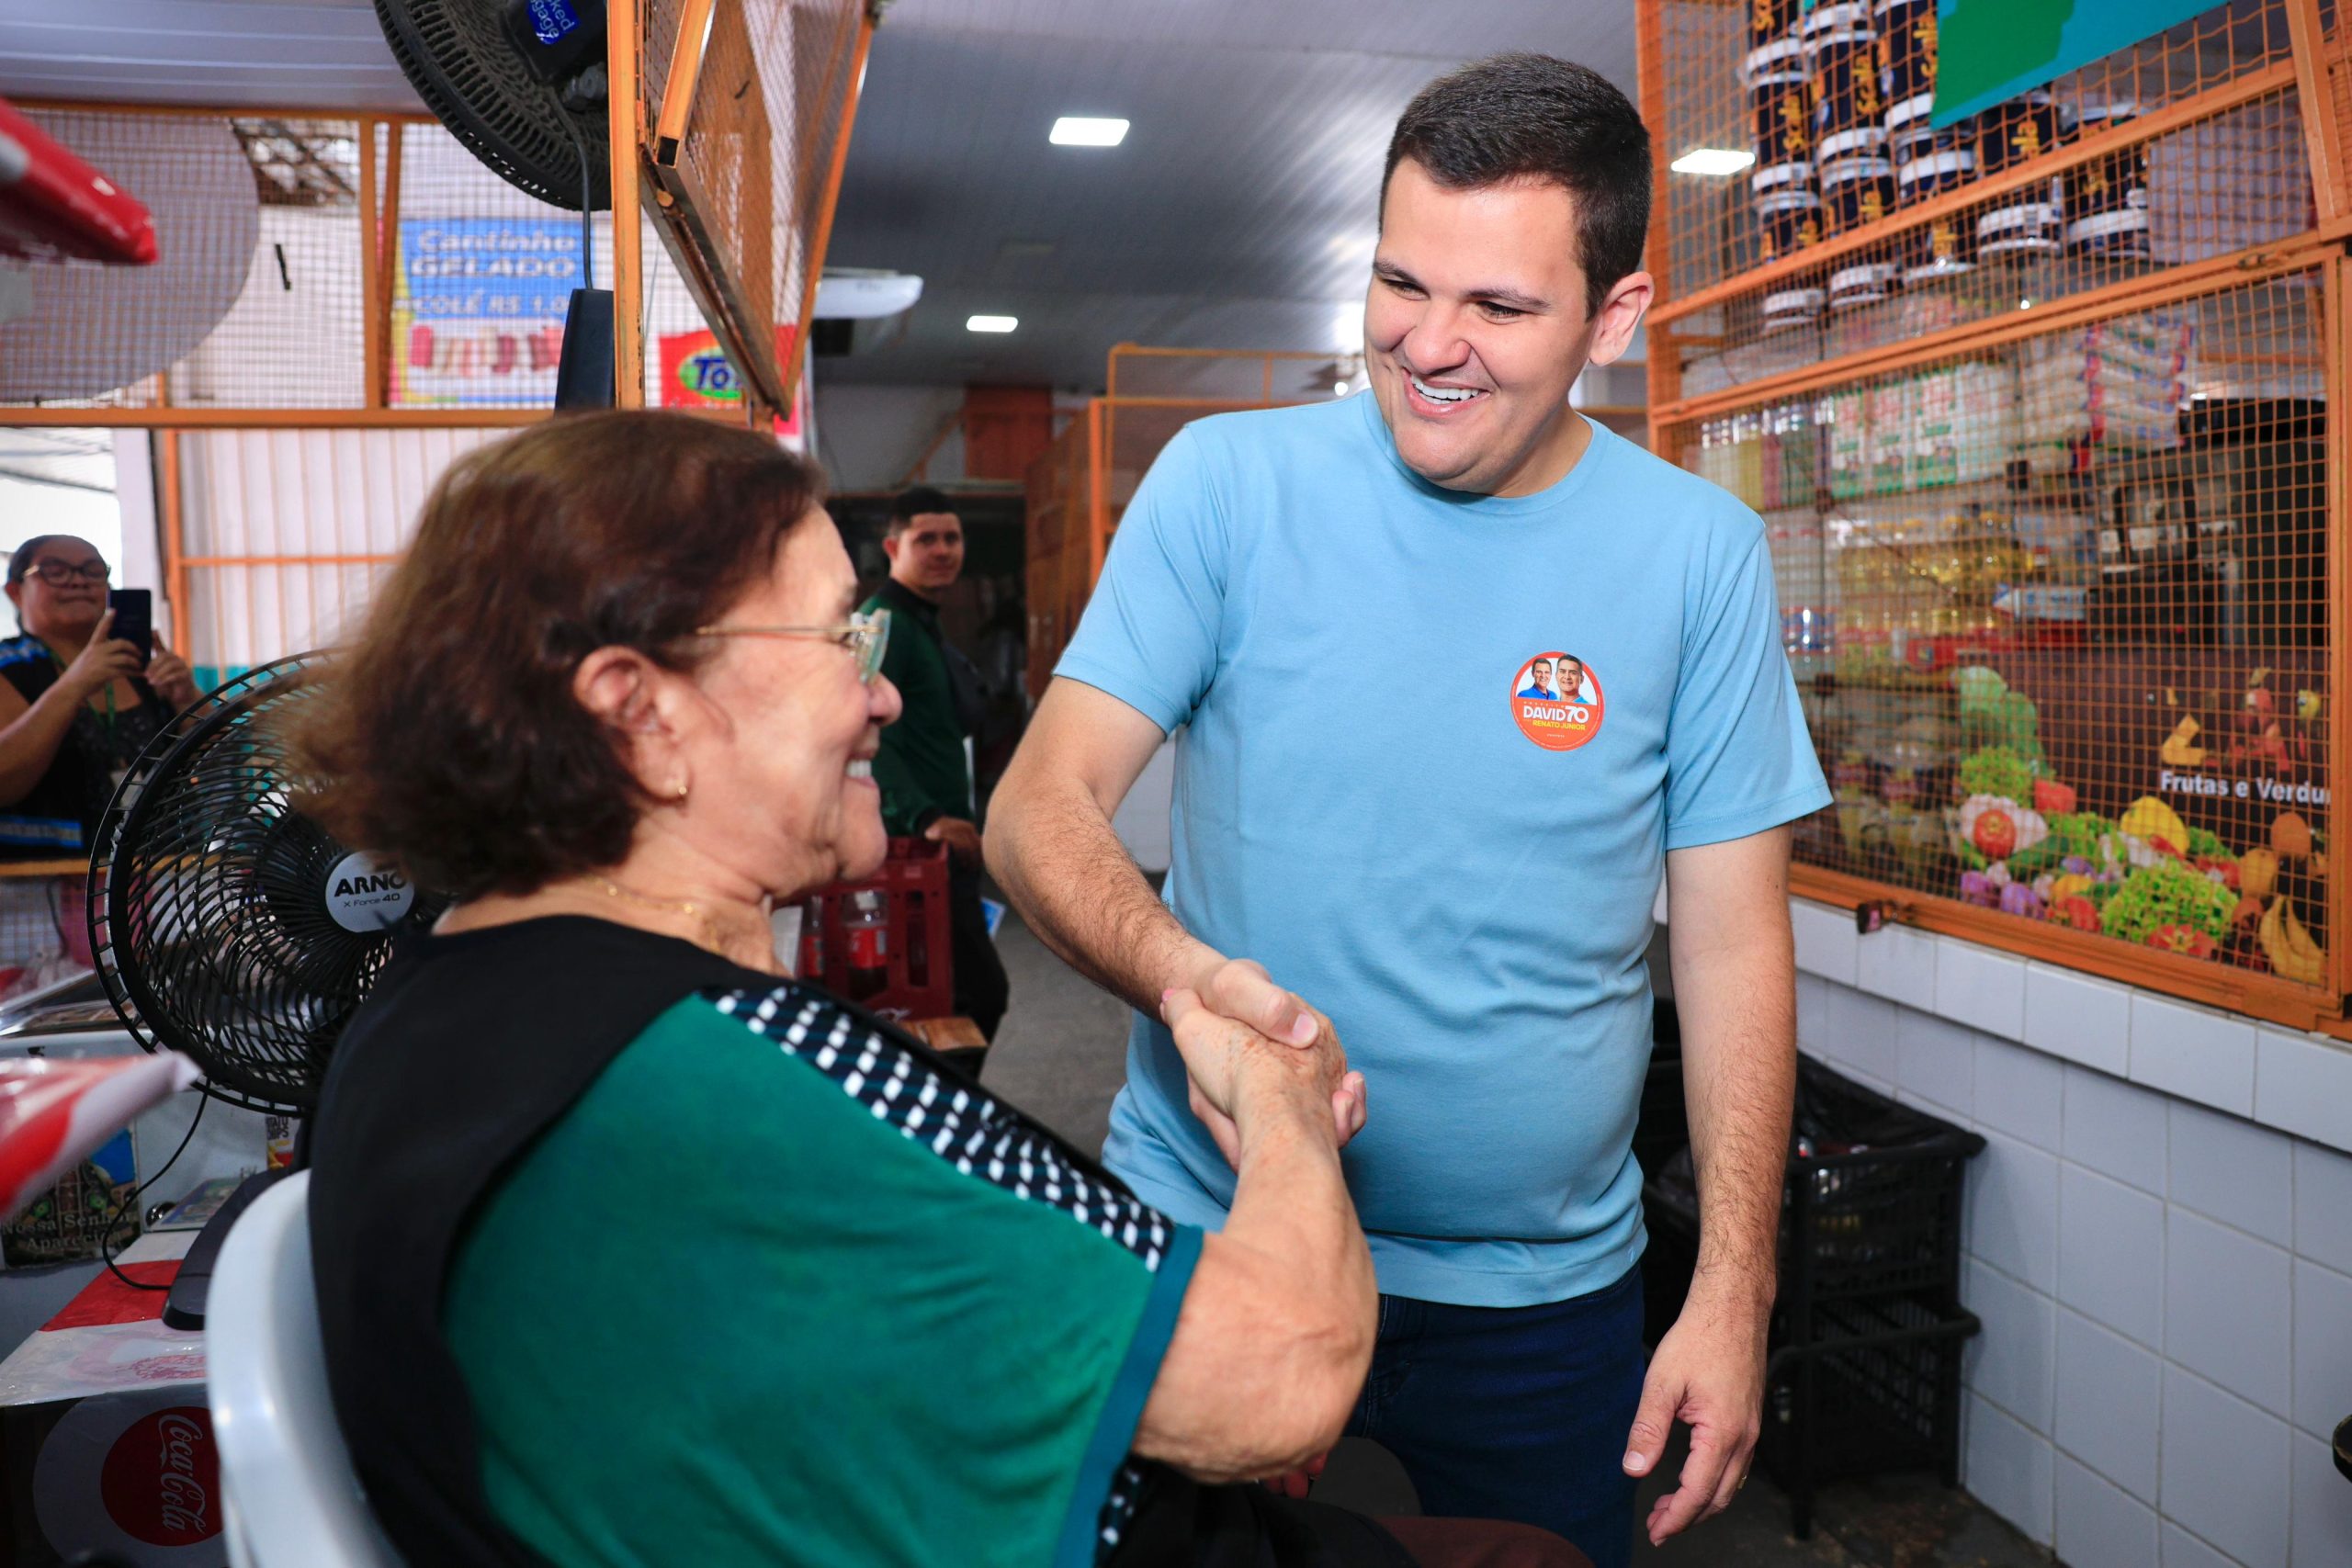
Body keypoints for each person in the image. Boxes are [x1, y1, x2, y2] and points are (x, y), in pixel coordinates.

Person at [298, 412, 1587, 1568]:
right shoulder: (716, 1082)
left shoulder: (431, 999)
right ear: (641, 713)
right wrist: (1284, 1096)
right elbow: (1285, 1376)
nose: (879, 693)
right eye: (837, 637)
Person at [987, 53, 1828, 1568]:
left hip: (1543, 1301)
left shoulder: (1698, 555)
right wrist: (1191, 985)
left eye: (1498, 306)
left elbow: (1730, 943)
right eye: (1399, 282)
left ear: (1614, 318)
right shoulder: (1227, 485)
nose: (1429, 347)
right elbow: (1036, 809)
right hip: (1214, 1230)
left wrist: (1733, 1286)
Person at [864, 486, 1012, 1048]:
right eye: (926, 539)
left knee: (955, 997)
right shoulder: (885, 625)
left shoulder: (920, 622)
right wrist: (926, 817)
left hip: (941, 846)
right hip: (915, 848)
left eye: (952, 538)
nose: (943, 550)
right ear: (892, 547)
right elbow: (872, 733)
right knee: (976, 993)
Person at [0, 536, 198, 858]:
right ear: (15, 592)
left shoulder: (141, 668)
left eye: (92, 570)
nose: (78, 581)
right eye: (55, 571)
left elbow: (221, 768)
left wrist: (188, 702)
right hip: (43, 874)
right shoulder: (7, 667)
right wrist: (74, 686)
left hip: (160, 867)